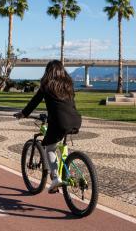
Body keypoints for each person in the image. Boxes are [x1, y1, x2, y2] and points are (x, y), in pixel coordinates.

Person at [15, 60, 82, 193]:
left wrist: (23, 113)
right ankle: (65, 171)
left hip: (59, 122)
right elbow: (69, 105)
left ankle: (56, 178)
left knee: (50, 149)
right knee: (60, 142)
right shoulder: (69, 85)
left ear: (48, 72)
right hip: (75, 119)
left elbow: (34, 101)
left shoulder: (46, 85)